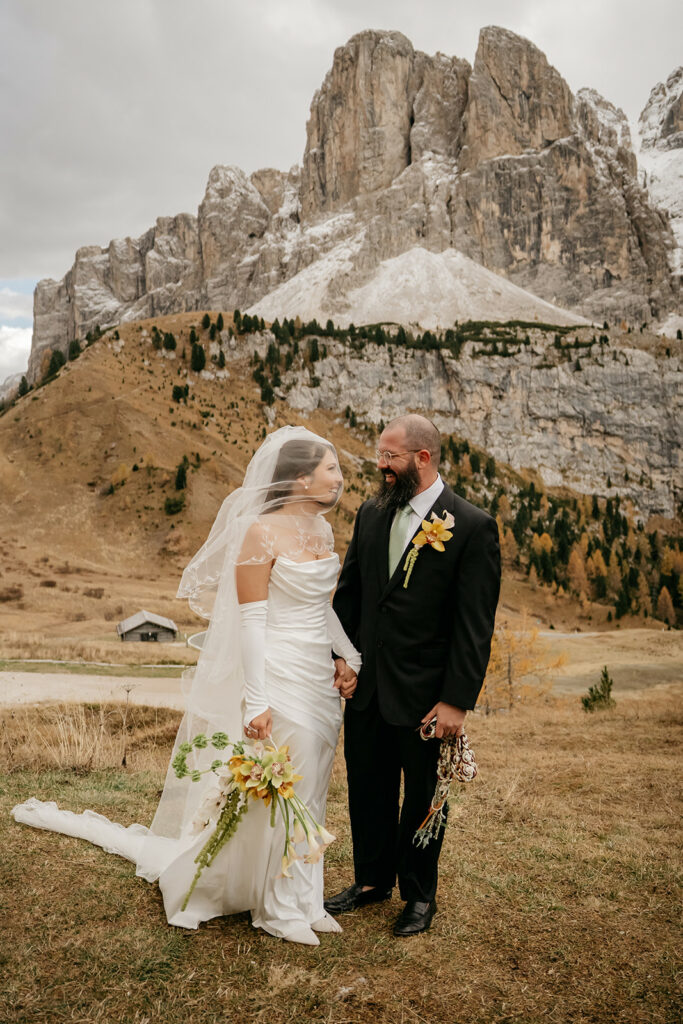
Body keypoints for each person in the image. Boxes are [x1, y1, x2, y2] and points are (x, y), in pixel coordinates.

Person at [12, 426, 361, 947]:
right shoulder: (260, 532)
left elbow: (320, 608)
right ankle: (277, 908)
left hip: (318, 674)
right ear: (300, 476)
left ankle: (305, 898)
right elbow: (251, 620)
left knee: (310, 788)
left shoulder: (323, 532)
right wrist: (258, 698)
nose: (339, 478)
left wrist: (348, 655)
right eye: (331, 469)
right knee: (277, 789)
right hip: (278, 672)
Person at [325, 414, 500, 936]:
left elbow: (475, 626)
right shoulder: (372, 515)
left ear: (422, 458)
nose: (380, 465)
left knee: (425, 798)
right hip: (368, 690)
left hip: (428, 697)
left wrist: (456, 701)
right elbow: (351, 596)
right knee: (368, 789)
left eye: (390, 456)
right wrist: (343, 660)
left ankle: (420, 895)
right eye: (380, 455)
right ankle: (372, 880)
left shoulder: (471, 526)